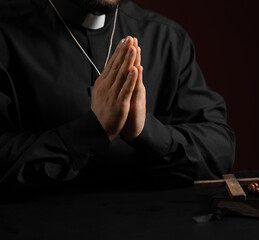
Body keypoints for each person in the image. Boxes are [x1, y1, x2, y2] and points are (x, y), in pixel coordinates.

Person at [0, 0, 235, 187]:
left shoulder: (166, 38)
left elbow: (220, 150)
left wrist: (146, 131)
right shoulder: (5, 32)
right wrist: (91, 131)